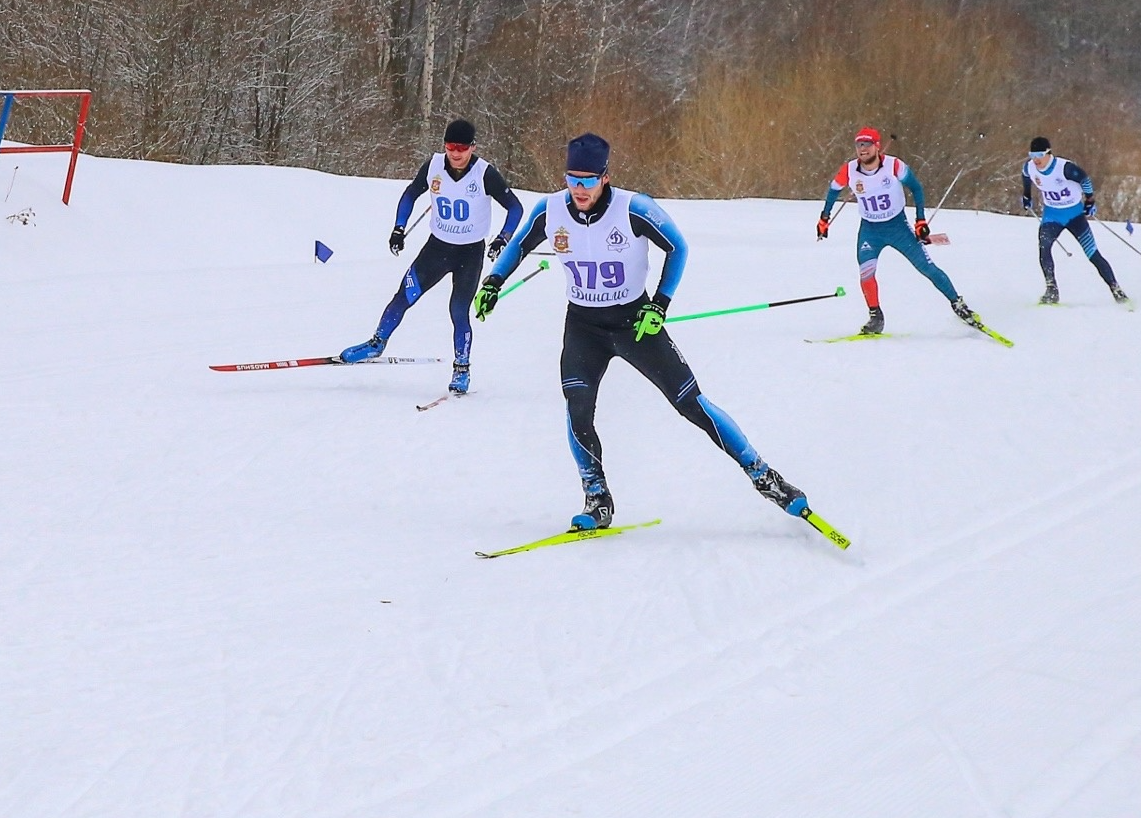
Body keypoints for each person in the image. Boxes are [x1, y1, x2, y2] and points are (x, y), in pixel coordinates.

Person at [473, 132, 815, 533]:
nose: (579, 188)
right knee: (578, 409)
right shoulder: (550, 210)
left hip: (635, 322)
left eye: (588, 179)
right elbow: (518, 246)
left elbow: (678, 248)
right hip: (583, 326)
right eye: (572, 178)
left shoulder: (633, 208)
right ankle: (596, 497)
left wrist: (660, 303)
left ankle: (764, 476)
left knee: (691, 404)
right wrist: (494, 281)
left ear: (605, 176)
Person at [339, 119, 522, 395]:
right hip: (437, 249)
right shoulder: (434, 166)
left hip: (469, 253)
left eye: (461, 147)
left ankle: (462, 368)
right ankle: (376, 343)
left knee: (458, 311)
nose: (456, 153)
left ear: (472, 147)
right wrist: (399, 228)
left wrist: (502, 238)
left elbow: (515, 208)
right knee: (404, 295)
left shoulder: (485, 174)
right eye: (450, 146)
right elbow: (411, 193)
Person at [816, 126, 981, 336]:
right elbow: (833, 191)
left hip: (897, 227)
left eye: (867, 144)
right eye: (859, 145)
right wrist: (824, 218)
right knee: (866, 273)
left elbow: (916, 187)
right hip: (870, 230)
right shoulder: (849, 170)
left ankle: (958, 305)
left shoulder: (894, 166)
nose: (862, 149)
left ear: (877, 146)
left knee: (927, 268)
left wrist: (920, 220)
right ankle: (876, 317)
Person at [1021, 136, 1127, 306]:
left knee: (1092, 254)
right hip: (1052, 216)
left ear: (1048, 153)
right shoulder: (1030, 167)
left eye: (1039, 155)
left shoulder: (1064, 168)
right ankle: (1051, 290)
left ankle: (1116, 289)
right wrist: (1026, 195)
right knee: (1044, 247)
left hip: (1075, 215)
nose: (1036, 160)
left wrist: (1090, 200)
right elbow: (1025, 176)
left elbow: (1084, 179)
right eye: (1032, 155)